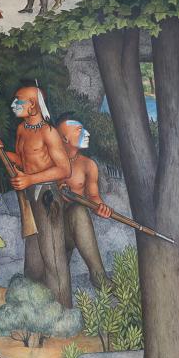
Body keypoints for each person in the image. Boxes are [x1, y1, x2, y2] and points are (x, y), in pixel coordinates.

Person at [0, 84, 73, 307]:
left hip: (47, 196)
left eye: (18, 101)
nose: (13, 105)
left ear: (33, 105)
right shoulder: (21, 129)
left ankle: (63, 312)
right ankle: (34, 311)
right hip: (28, 197)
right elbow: (21, 159)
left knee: (53, 257)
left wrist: (30, 179)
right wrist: (0, 152)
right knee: (34, 261)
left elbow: (65, 170)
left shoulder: (49, 132)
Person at [57, 115, 112, 287]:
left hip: (71, 230)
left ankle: (98, 276)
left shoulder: (88, 165)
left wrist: (100, 208)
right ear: (65, 137)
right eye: (80, 131)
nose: (87, 133)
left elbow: (93, 198)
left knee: (79, 211)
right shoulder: (47, 160)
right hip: (51, 228)